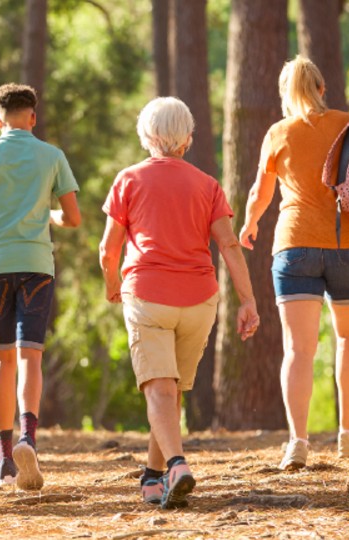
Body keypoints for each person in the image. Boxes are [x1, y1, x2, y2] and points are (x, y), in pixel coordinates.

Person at [100, 97, 259, 509]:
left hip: (148, 294)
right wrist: (248, 301)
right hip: (199, 301)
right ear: (187, 138)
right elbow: (228, 244)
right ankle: (154, 479)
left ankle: (176, 463)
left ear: (145, 136)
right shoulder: (207, 184)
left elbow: (107, 249)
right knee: (171, 391)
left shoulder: (129, 179)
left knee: (159, 388)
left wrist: (111, 282)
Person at [240, 56, 349, 471]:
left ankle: (297, 441)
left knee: (298, 350)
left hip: (294, 245)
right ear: (321, 88)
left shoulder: (278, 133)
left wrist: (249, 224)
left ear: (285, 94)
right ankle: (348, 432)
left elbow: (259, 194)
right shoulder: (348, 124)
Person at [0, 83, 81, 491]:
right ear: (33, 117)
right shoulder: (52, 156)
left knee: (3, 359)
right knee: (31, 359)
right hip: (37, 266)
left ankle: (4, 460)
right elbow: (73, 217)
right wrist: (50, 217)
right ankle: (29, 438)